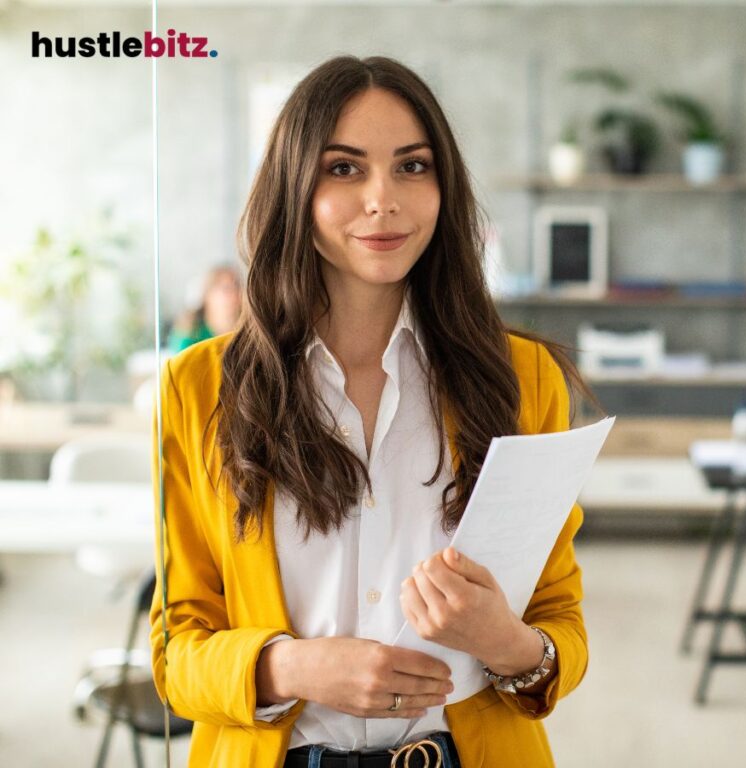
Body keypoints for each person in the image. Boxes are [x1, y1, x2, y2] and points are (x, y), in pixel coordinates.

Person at [150, 55, 590, 768]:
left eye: (413, 167)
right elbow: (175, 652)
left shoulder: (522, 380)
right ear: (295, 188)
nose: (383, 200)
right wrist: (289, 668)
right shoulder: (198, 389)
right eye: (344, 169)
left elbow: (560, 624)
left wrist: (503, 641)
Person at [166, 264, 243, 352]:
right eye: (226, 288)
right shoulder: (189, 336)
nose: (235, 294)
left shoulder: (248, 334)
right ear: (208, 295)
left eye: (237, 286)